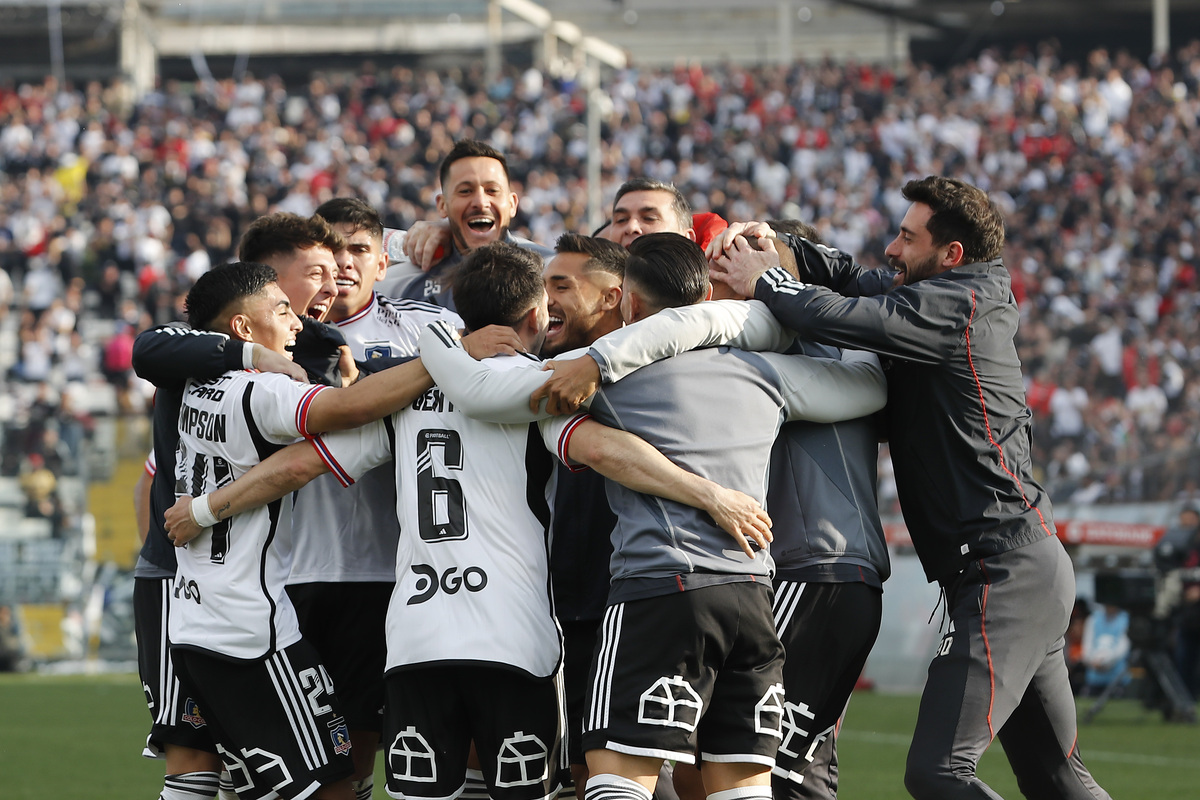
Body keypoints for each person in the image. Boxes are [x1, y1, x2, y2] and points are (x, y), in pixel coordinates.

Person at [163, 241, 774, 800]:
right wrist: (710, 496)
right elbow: (605, 451)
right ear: (535, 316)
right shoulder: (539, 389)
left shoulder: (401, 397)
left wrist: (205, 508)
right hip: (516, 641)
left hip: (416, 639)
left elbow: (297, 467)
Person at [419, 233, 887, 800]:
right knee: (741, 785)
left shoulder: (597, 372)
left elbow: (476, 393)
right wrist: (829, 319)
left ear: (629, 305)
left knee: (617, 775)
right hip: (751, 595)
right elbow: (868, 387)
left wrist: (439, 338)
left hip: (659, 589)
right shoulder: (763, 372)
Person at [709, 176, 1111, 800]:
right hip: (1019, 568)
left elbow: (838, 311)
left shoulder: (959, 304)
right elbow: (852, 277)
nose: (892, 249)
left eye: (906, 236)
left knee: (938, 772)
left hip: (1004, 572)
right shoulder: (942, 293)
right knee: (1056, 778)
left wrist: (768, 280)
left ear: (951, 254)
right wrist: (783, 244)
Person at [165, 261, 470, 800]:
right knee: (333, 785)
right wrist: (447, 360)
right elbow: (351, 408)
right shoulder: (258, 394)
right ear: (241, 329)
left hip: (194, 620)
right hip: (253, 631)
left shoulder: (193, 384)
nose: (296, 322)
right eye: (281, 309)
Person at [285, 197, 465, 800]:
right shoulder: (271, 333)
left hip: (396, 573)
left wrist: (444, 229)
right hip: (288, 571)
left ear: (382, 262)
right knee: (284, 763)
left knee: (366, 752)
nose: (342, 264)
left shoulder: (424, 327)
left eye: (358, 250)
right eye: (328, 252)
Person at [386, 139, 553, 309]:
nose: (481, 202)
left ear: (512, 204)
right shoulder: (400, 285)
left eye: (492, 191)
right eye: (465, 191)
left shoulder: (551, 271)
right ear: (442, 205)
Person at [1080, 604, 1130, 697]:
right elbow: (1086, 648)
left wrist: (1105, 662)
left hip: (1117, 679)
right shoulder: (1093, 619)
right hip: (1094, 679)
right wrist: (1092, 661)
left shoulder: (1125, 619)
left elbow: (1123, 648)